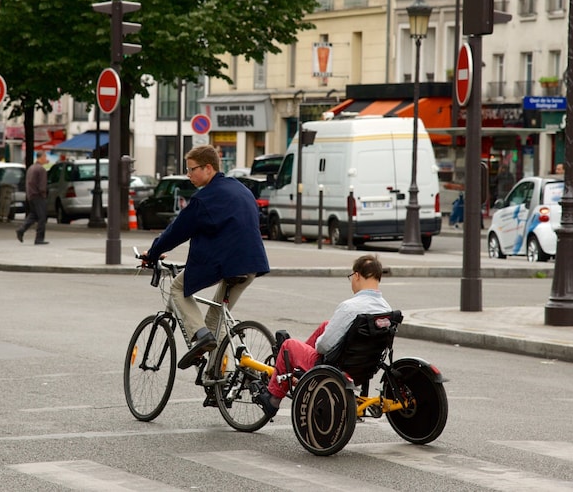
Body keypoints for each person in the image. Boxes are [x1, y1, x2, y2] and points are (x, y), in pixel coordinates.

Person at [141, 145, 270, 375]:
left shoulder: (204, 199)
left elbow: (176, 232)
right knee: (216, 318)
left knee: (178, 287)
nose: (188, 175)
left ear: (208, 168)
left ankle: (199, 337)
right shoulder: (241, 189)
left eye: (191, 170)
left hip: (225, 261)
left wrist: (152, 254)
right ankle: (218, 376)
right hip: (252, 263)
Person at [256, 254, 392, 418]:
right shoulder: (387, 310)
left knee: (288, 346)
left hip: (335, 367)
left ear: (356, 275)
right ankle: (298, 369)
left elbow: (323, 346)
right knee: (326, 326)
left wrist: (320, 344)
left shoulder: (350, 307)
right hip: (364, 366)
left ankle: (273, 400)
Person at [16, 151, 49, 245]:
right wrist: (43, 194)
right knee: (42, 217)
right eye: (45, 156)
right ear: (41, 157)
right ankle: (39, 238)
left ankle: (21, 230)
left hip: (31, 195)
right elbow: (42, 185)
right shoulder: (41, 169)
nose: (46, 159)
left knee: (33, 215)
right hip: (38, 195)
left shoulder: (31, 168)